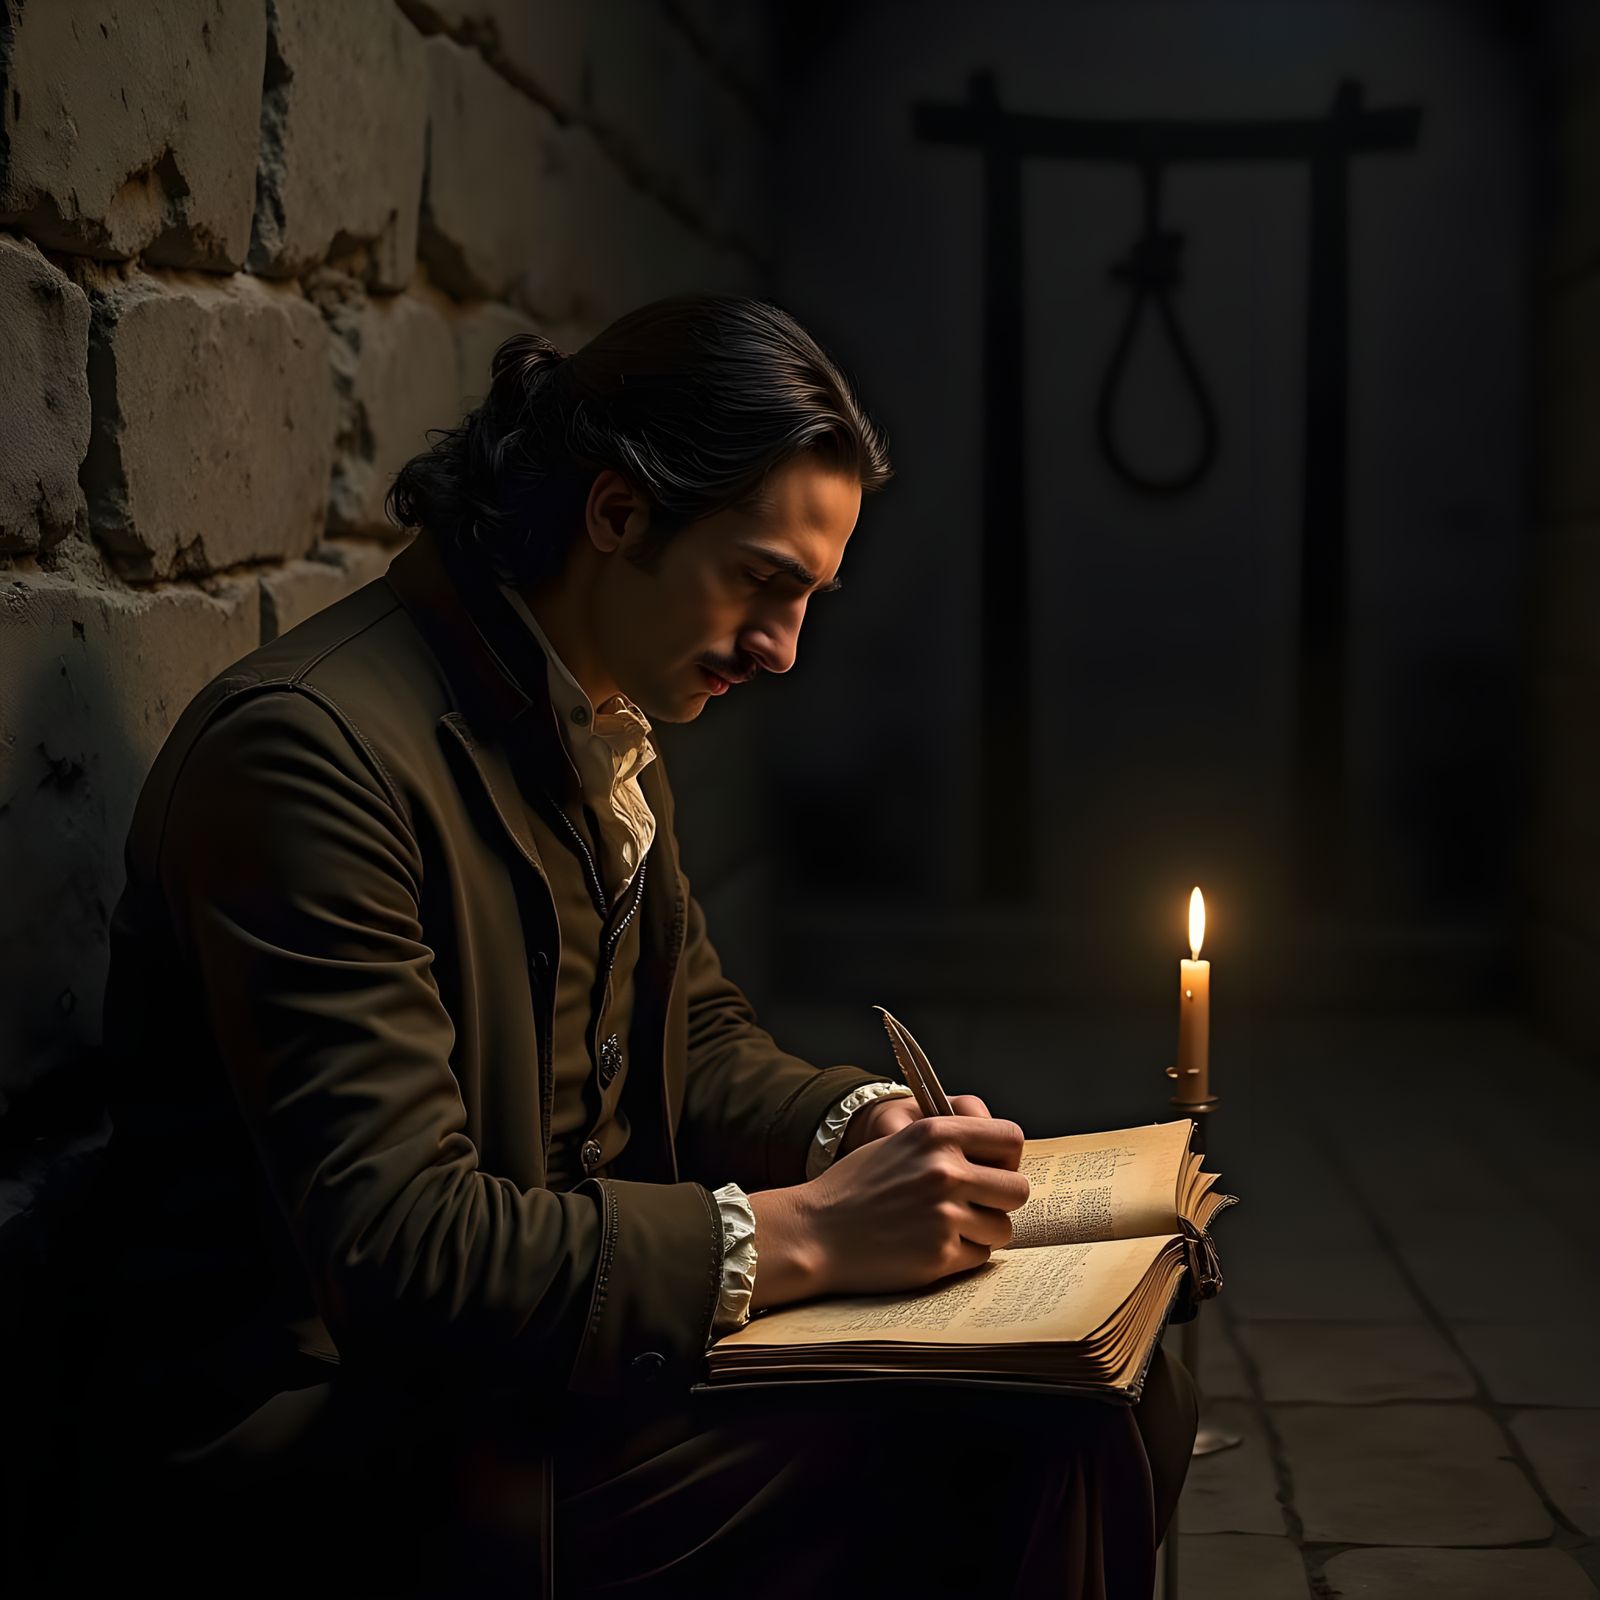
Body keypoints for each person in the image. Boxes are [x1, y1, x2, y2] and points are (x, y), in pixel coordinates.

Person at [75, 294, 1196, 1599]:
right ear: (617, 514)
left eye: (810, 599)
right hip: (359, 1456)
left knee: (1121, 1376)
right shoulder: (308, 758)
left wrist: (863, 1129)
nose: (783, 651)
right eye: (763, 582)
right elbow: (400, 1251)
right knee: (1036, 1431)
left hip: (544, 1378)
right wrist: (812, 1239)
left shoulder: (597, 717)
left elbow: (699, 1039)